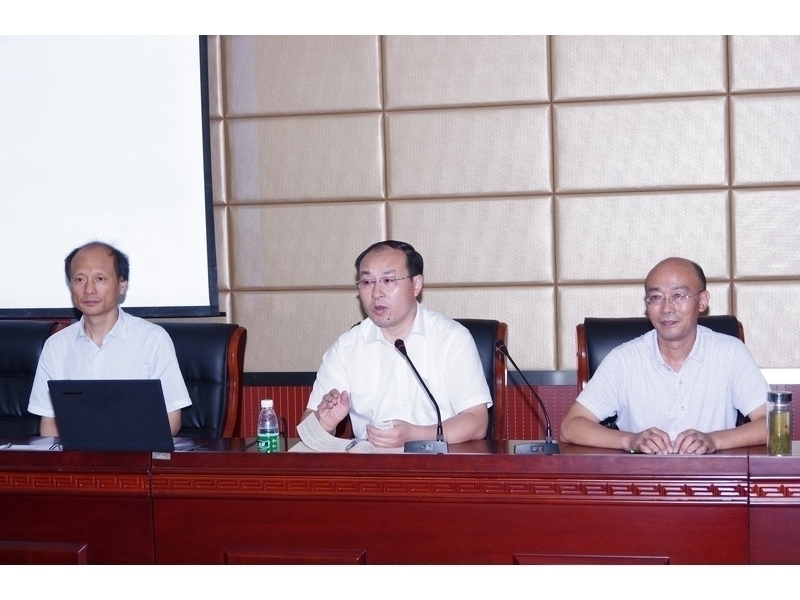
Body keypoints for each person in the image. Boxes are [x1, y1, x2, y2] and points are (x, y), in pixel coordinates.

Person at [560, 257, 770, 455]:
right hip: (642, 477)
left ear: (702, 301)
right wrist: (630, 441)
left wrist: (714, 441)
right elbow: (571, 426)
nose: (666, 308)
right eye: (656, 297)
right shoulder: (624, 360)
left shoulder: (730, 353)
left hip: (713, 477)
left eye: (678, 296)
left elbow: (774, 424)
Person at [303, 240, 492, 448]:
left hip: (440, 462)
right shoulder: (346, 348)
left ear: (416, 285)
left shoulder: (451, 339)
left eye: (388, 280)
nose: (376, 293)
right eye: (367, 282)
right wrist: (325, 424)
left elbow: (476, 422)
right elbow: (307, 425)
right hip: (371, 465)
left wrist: (416, 435)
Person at [28, 241, 192, 436]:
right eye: (80, 279)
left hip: (136, 453)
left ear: (122, 284)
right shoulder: (56, 346)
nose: (89, 289)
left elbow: (171, 418)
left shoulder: (152, 340)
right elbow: (49, 423)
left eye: (100, 279)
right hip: (76, 455)